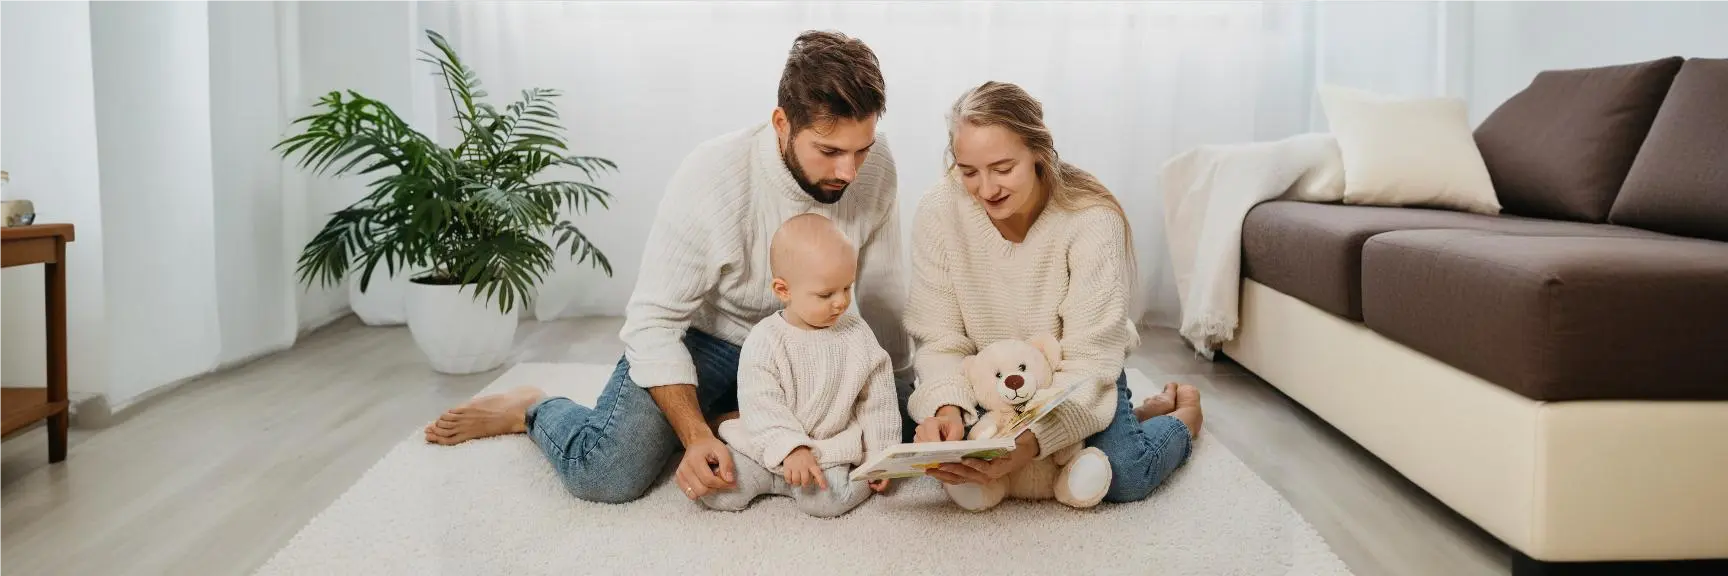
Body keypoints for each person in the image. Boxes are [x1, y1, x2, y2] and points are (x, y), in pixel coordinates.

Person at [423, 30, 914, 505]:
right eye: (829, 151)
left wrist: (897, 393)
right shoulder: (714, 177)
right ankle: (533, 408)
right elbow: (653, 324)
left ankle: (738, 417)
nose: (849, 171)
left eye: (861, 149)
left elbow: (883, 287)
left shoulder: (875, 164)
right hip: (712, 341)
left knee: (906, 426)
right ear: (782, 124)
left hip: (816, 335)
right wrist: (695, 436)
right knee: (606, 473)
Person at [905, 81, 1204, 507]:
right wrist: (947, 410)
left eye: (1003, 168)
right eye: (968, 171)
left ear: (1039, 152)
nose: (986, 188)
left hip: (1078, 373)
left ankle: (1183, 418)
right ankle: (1135, 418)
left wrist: (1031, 443)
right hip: (991, 377)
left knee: (1124, 475)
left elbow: (1089, 360)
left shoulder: (1091, 219)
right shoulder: (938, 211)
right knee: (953, 455)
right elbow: (939, 339)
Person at [698, 213, 899, 517]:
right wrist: (790, 448)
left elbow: (878, 401)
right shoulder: (765, 339)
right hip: (770, 446)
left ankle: (804, 484)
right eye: (825, 294)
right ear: (784, 290)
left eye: (846, 288)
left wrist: (880, 457)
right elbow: (761, 402)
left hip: (828, 449)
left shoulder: (857, 334)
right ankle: (775, 477)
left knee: (830, 501)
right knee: (720, 492)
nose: (841, 302)